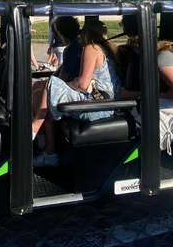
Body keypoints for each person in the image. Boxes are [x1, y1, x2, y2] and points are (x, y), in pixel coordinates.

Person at [31, 20, 121, 167]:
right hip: (104, 105)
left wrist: (61, 86)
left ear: (89, 32)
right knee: (50, 87)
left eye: (83, 30)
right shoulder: (104, 49)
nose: (79, 32)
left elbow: (83, 84)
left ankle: (39, 137)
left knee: (50, 85)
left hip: (95, 106)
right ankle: (54, 149)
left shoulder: (91, 48)